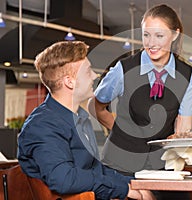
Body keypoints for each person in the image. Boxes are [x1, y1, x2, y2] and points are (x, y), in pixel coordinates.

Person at [17, 41, 154, 200]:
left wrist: (135, 184)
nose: (94, 76)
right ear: (70, 82)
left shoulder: (80, 118)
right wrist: (125, 190)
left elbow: (97, 171)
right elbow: (64, 180)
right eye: (88, 71)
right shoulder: (42, 125)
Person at [89, 4, 192, 176]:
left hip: (162, 164)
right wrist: (118, 130)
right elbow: (95, 105)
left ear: (175, 34)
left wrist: (180, 139)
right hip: (120, 164)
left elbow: (183, 126)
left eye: (159, 36)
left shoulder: (187, 75)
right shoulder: (123, 69)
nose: (151, 43)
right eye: (146, 35)